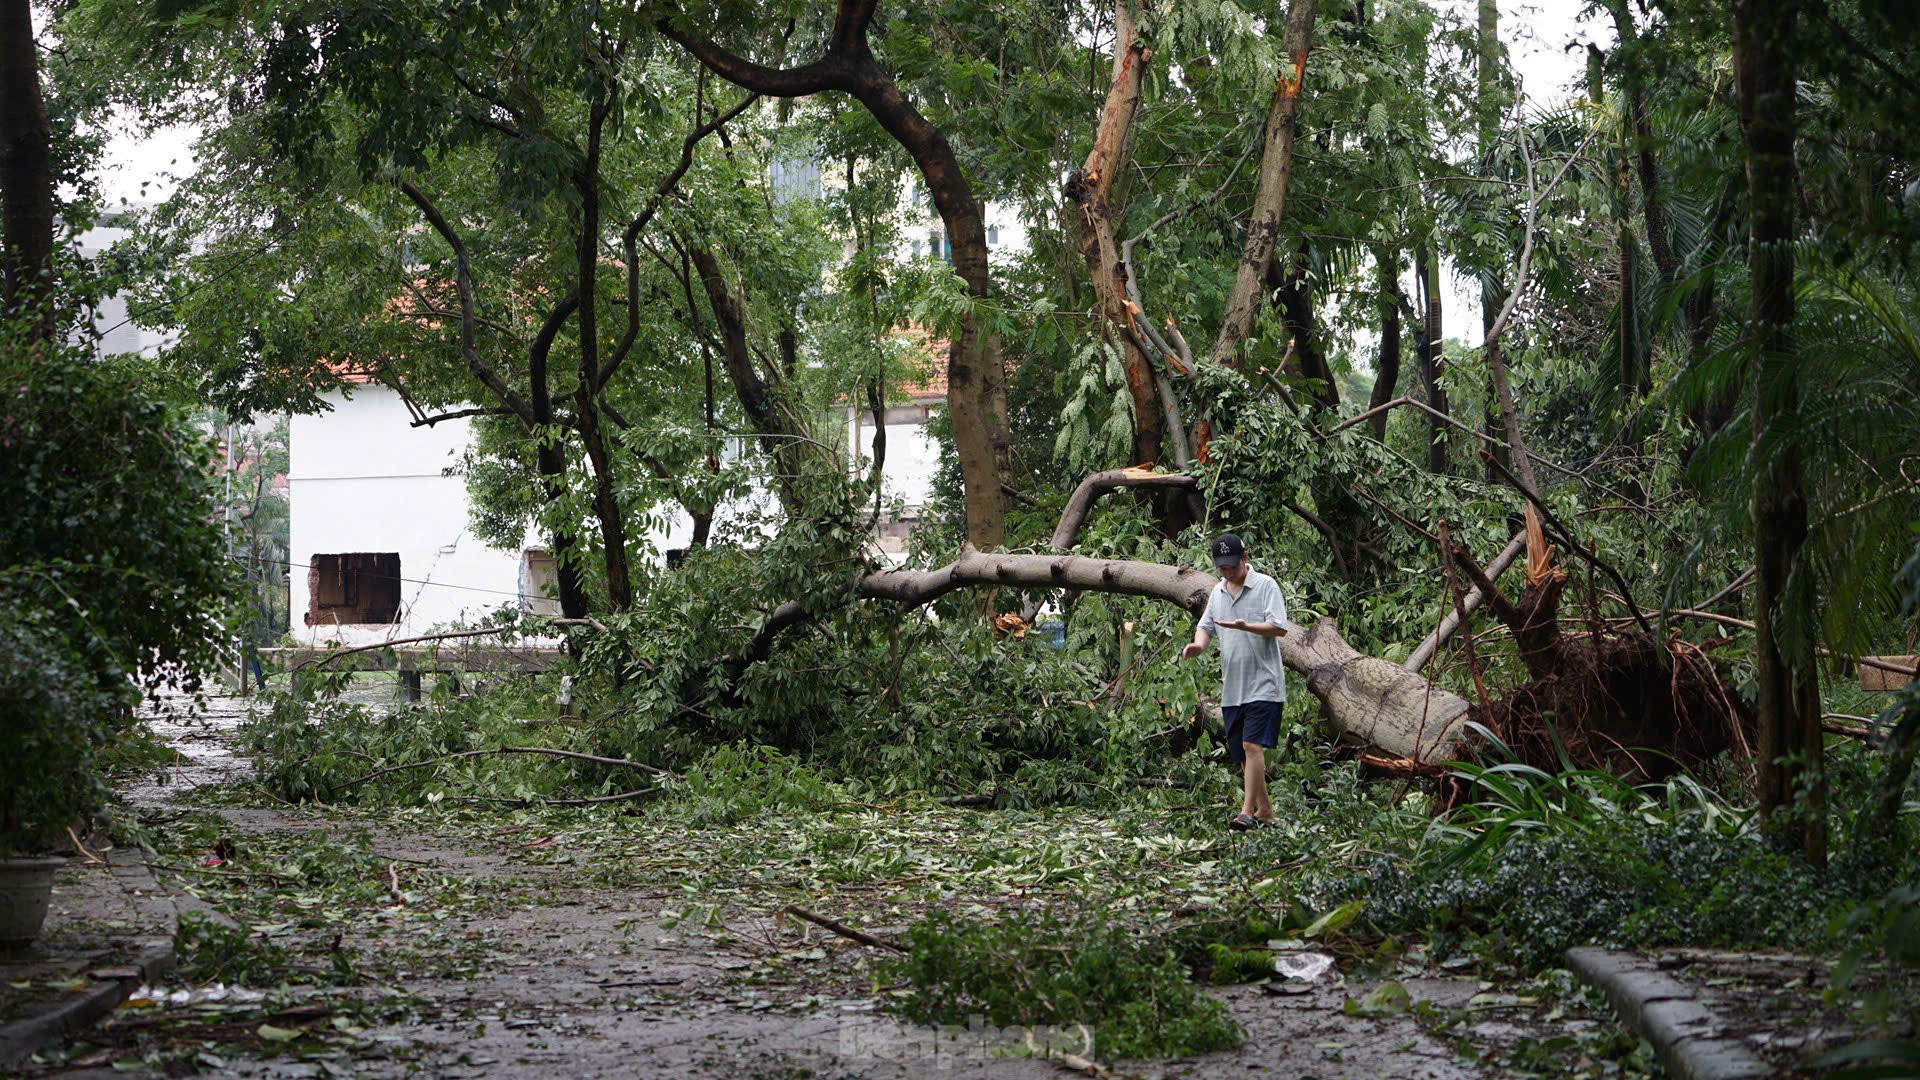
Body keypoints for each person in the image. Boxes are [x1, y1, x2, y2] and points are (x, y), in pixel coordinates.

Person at [1180, 533, 1289, 831]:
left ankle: (1245, 813)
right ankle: (1265, 812)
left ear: (1245, 557)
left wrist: (1247, 626)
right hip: (1233, 687)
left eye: (1232, 566)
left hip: (1264, 683)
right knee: (1242, 754)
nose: (1228, 573)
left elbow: (1279, 628)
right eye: (1222, 569)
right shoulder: (1217, 592)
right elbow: (1205, 627)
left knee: (1252, 746)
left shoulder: (1266, 586)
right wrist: (1199, 646)